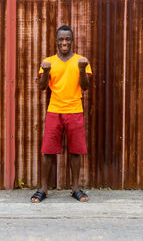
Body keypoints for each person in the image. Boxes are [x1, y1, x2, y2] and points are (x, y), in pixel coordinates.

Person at [31, 25, 92, 203]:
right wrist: (46, 71)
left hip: (74, 110)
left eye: (67, 39)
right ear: (56, 41)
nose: (64, 42)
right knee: (48, 151)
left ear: (72, 41)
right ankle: (43, 189)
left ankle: (75, 189)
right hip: (55, 110)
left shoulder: (81, 61)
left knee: (75, 151)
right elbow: (42, 87)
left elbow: (86, 86)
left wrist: (82, 69)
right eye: (61, 39)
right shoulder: (49, 61)